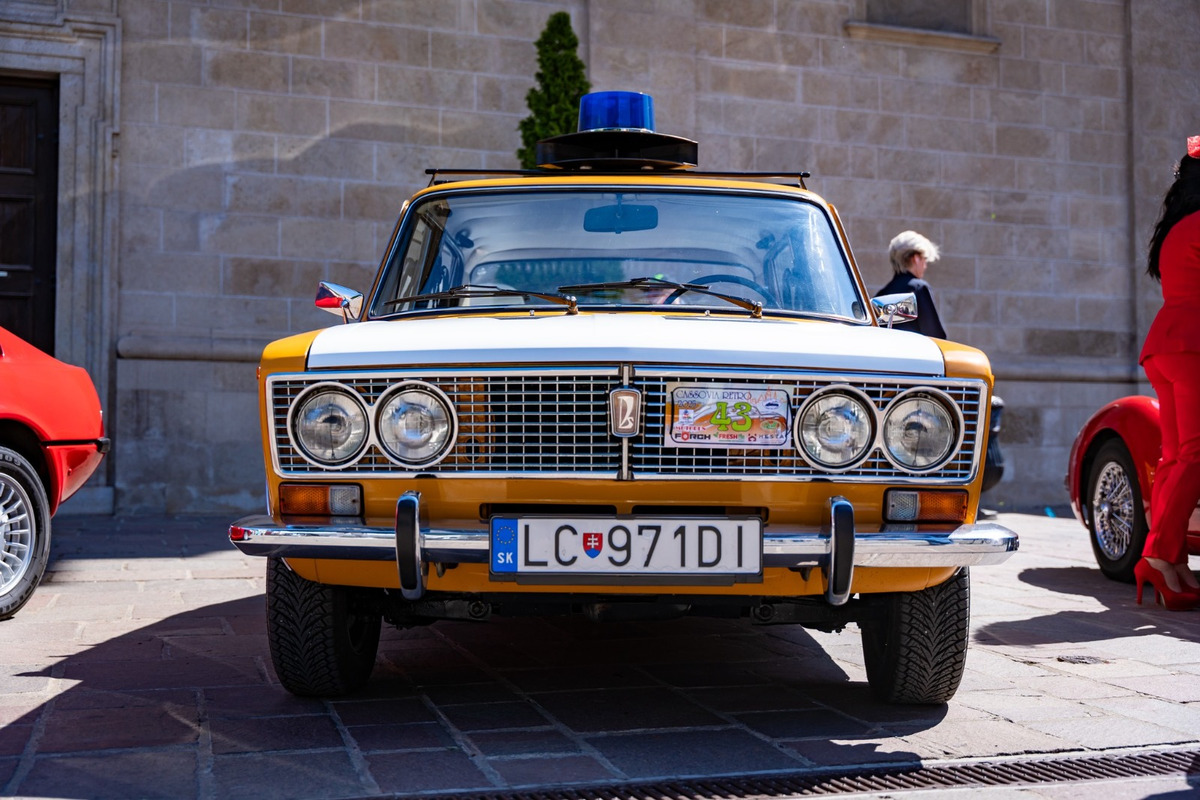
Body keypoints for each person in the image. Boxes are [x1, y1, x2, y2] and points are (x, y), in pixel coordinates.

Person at [1136, 136, 1200, 612]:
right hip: (1193, 344)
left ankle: (1169, 561)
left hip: (1165, 344)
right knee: (1193, 455)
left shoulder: (1177, 226)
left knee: (1176, 457)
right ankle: (1159, 556)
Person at [875, 230, 947, 339]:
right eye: (925, 259)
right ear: (916, 259)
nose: (925, 266)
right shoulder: (918, 289)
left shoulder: (882, 294)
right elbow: (935, 336)